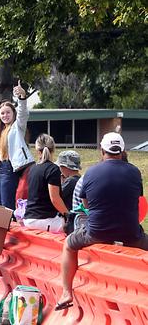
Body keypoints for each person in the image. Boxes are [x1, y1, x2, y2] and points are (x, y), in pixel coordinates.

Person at [56, 132, 148, 311]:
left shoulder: (91, 172)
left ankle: (66, 292)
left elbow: (85, 205)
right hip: (130, 234)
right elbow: (138, 200)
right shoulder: (135, 172)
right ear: (122, 151)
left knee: (68, 244)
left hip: (97, 232)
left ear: (102, 150)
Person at [0, 82, 34, 209]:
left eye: (8, 112)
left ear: (13, 113)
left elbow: (23, 114)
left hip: (10, 168)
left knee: (8, 206)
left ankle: (11, 228)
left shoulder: (17, 127)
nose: (5, 116)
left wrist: (22, 97)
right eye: (2, 113)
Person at [22, 134, 70, 233]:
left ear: (36, 149)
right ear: (53, 149)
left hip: (28, 219)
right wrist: (68, 215)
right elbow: (55, 199)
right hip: (44, 220)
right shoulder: (53, 169)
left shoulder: (32, 168)